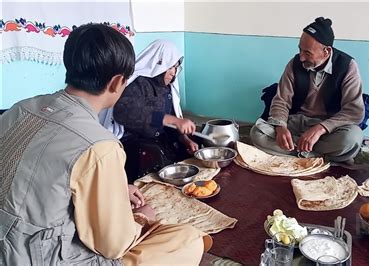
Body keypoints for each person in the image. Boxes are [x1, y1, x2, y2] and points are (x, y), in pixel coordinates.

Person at [0, 24, 211, 265]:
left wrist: (117, 187)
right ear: (116, 82)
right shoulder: (100, 146)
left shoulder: (21, 108)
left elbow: (45, 178)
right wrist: (140, 219)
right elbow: (112, 245)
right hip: (35, 256)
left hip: (10, 239)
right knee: (188, 239)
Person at [250, 17, 364, 163]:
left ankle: (293, 152)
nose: (302, 57)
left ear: (326, 51)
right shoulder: (295, 64)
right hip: (297, 123)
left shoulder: (347, 66)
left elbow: (354, 111)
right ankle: (316, 157)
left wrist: (320, 128)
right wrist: (280, 127)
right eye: (300, 50)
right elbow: (281, 101)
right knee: (257, 132)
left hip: (328, 129)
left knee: (352, 139)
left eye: (308, 53)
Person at [112, 40, 199, 177]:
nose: (173, 73)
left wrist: (184, 139)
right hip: (135, 145)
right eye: (170, 67)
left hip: (159, 140)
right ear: (157, 64)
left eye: (176, 68)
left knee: (191, 150)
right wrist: (169, 119)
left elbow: (172, 120)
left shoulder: (167, 88)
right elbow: (123, 112)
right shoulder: (139, 84)